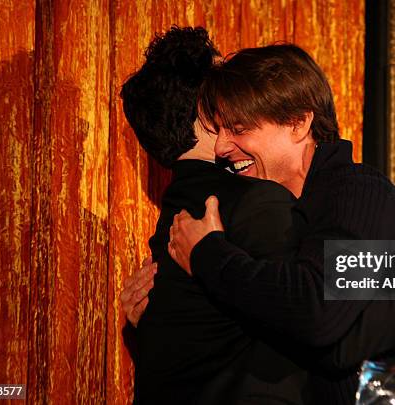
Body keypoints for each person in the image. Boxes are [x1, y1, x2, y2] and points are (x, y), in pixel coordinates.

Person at [165, 44, 395, 404]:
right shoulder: (278, 209)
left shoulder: (356, 191)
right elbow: (290, 329)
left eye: (237, 128)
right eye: (220, 130)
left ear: (298, 123)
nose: (222, 147)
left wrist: (206, 255)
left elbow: (316, 315)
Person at [120, 27, 310, 404]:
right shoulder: (255, 203)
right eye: (230, 84)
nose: (246, 92)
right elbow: (320, 308)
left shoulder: (171, 222)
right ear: (210, 115)